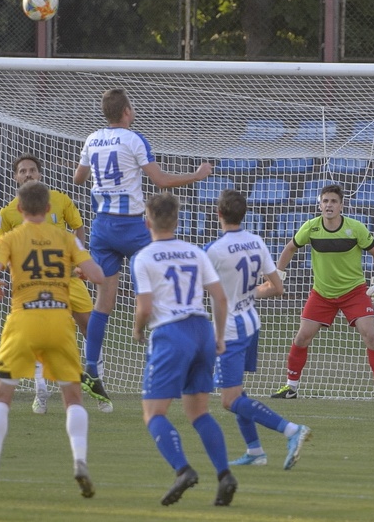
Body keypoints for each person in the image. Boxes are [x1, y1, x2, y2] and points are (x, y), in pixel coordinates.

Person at [73, 88, 212, 409]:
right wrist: (197, 174)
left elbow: (78, 178)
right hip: (134, 227)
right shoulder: (134, 139)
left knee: (103, 302)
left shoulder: (92, 139)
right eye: (131, 106)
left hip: (102, 227)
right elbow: (160, 182)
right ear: (125, 112)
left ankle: (92, 368)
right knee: (156, 296)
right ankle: (165, 367)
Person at [0, 180, 105, 498]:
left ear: (19, 209)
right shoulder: (66, 237)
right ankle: (80, 462)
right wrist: (81, 271)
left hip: (24, 321)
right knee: (73, 399)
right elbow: (97, 275)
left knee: (2, 396)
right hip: (59, 319)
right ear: (48, 209)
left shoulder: (11, 237)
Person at [131, 192, 237, 507]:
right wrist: (218, 337)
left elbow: (145, 306)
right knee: (199, 411)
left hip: (171, 333)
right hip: (202, 329)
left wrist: (137, 329)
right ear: (178, 221)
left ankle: (183, 470)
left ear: (146, 220)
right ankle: (225, 475)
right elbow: (219, 297)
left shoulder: (144, 257)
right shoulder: (195, 252)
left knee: (154, 413)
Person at [203, 189, 311, 470]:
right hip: (251, 323)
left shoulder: (214, 251)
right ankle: (255, 451)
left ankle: (290, 429)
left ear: (219, 215)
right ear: (244, 214)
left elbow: (199, 290)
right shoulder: (256, 241)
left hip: (229, 330)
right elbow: (277, 288)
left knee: (229, 400)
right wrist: (247, 294)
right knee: (237, 393)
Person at [0, 153, 108, 414]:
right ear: (15, 177)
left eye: (32, 170)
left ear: (40, 174)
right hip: (33, 286)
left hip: (68, 279)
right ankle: (41, 392)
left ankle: (98, 385)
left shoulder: (60, 200)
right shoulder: (8, 212)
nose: (28, 174)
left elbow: (78, 227)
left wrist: (79, 259)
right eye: (22, 171)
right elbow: (2, 251)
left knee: (90, 328)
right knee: (37, 334)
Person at [271, 183, 374, 403]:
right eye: (325, 201)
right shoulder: (311, 227)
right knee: (302, 337)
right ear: (319, 205)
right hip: (322, 293)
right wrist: (278, 275)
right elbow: (290, 248)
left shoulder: (356, 228)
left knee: (370, 335)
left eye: (333, 201)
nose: (329, 205)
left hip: (354, 291)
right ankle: (291, 387)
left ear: (341, 206)